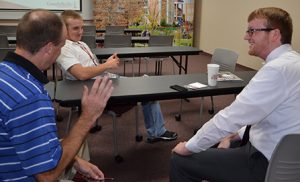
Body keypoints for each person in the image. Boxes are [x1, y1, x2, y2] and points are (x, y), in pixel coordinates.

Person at [170, 7, 300, 182]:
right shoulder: (292, 62)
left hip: (267, 162)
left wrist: (188, 147)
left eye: (252, 31)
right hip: (285, 154)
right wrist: (234, 135)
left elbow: (231, 116)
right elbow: (261, 111)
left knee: (180, 160)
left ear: (275, 34)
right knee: (218, 139)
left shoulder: (277, 70)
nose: (246, 37)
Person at [0, 9, 113, 181]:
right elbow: (47, 176)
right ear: (48, 48)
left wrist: (73, 160)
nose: (60, 53)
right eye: (60, 47)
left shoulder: (7, 73)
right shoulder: (31, 98)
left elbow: (25, 142)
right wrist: (88, 117)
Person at [56, 10, 177, 143]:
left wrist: (105, 63)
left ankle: (156, 131)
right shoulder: (63, 48)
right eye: (75, 28)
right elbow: (81, 74)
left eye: (82, 28)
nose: (80, 31)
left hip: (104, 81)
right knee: (148, 90)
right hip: (95, 89)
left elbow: (90, 67)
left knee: (147, 84)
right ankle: (157, 132)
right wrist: (107, 65)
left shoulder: (81, 44)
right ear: (63, 29)